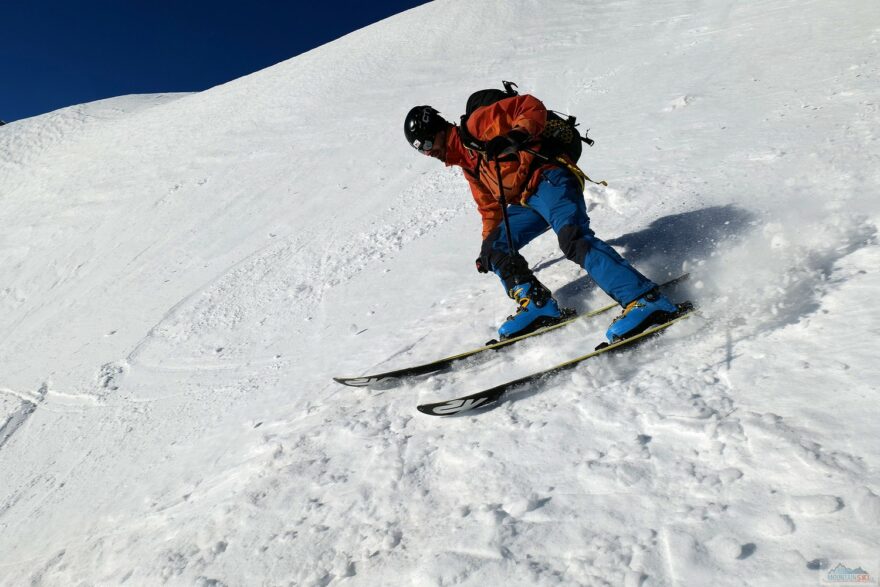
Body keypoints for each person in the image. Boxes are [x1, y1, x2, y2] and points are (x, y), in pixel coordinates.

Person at [403, 93, 678, 342]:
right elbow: (490, 209)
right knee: (495, 248)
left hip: (549, 179)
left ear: (439, 129)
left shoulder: (477, 124)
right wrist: (487, 248)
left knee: (573, 240)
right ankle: (538, 306)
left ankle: (645, 299)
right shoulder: (468, 164)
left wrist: (516, 135)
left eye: (427, 143)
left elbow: (529, 105)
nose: (429, 152)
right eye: (422, 150)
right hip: (527, 201)